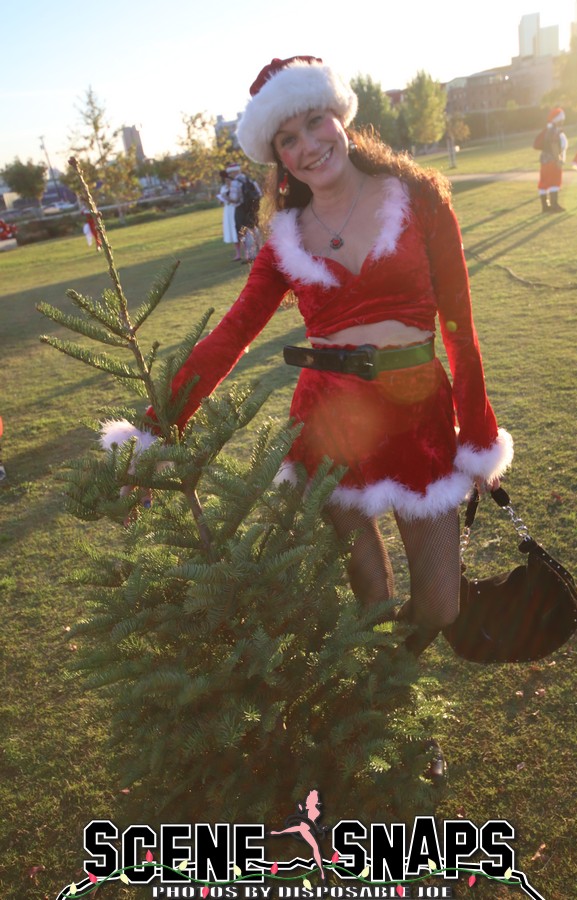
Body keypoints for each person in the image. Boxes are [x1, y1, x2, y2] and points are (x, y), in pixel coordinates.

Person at [102, 56, 513, 661]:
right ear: (277, 158)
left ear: (340, 116)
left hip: (420, 418)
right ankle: (393, 730)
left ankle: (388, 683)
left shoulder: (420, 197)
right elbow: (230, 336)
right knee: (370, 606)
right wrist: (154, 428)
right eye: (287, 139)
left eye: (315, 121)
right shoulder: (283, 239)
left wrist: (476, 433)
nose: (309, 146)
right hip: (329, 430)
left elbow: (460, 328)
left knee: (441, 604)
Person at [227, 163, 263, 262]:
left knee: (242, 231)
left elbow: (234, 199)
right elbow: (259, 194)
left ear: (234, 172)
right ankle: (260, 250)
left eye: (230, 173)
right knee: (254, 228)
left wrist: (226, 197)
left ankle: (250, 255)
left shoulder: (235, 183)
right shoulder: (249, 179)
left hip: (241, 211)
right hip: (252, 210)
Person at [536, 107, 568, 213]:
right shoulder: (554, 130)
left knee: (544, 183)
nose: (563, 121)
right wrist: (558, 159)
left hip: (544, 160)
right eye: (562, 119)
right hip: (552, 160)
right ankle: (554, 205)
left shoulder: (547, 129)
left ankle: (545, 207)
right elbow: (554, 145)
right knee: (555, 181)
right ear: (558, 119)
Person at [217, 168, 242, 260]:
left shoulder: (235, 186)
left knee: (239, 230)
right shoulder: (223, 188)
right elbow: (220, 202)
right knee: (232, 231)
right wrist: (221, 198)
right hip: (227, 210)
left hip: (235, 209)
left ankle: (248, 252)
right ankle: (238, 254)